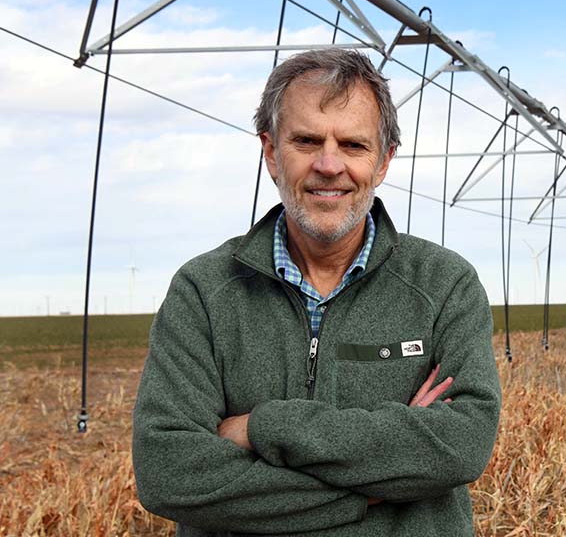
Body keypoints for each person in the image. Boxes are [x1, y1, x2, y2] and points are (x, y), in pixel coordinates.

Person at [132, 48, 501, 536]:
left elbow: (460, 445)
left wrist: (262, 427)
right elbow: (168, 473)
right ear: (271, 153)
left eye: (353, 145)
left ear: (384, 161)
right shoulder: (203, 291)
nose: (329, 165)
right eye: (306, 141)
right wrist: (374, 487)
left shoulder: (444, 285)